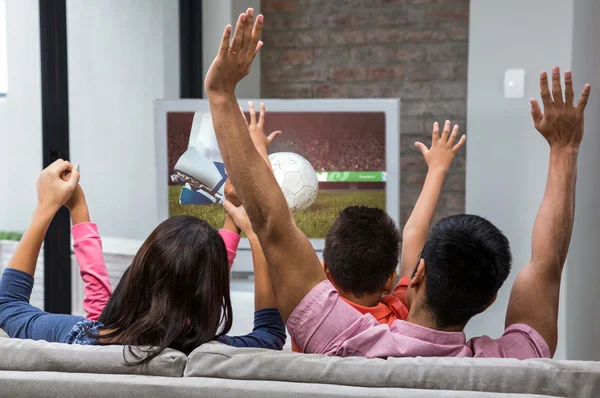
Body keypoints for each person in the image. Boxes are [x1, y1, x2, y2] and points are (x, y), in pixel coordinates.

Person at [204, 9, 591, 359]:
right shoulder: (514, 363)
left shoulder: (337, 340)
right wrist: (566, 149)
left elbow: (272, 223)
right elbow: (548, 265)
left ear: (416, 274)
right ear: (489, 302)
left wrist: (222, 95)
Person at [0, 160, 285, 366]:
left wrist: (47, 207)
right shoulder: (214, 355)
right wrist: (254, 232)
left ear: (136, 272)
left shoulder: (81, 339)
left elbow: (8, 304)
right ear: (213, 292)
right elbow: (270, 333)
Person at [290, 120, 466, 352]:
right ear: (389, 280)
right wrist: (438, 168)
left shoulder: (313, 321)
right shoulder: (402, 316)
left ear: (326, 271)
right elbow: (415, 231)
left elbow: (281, 238)